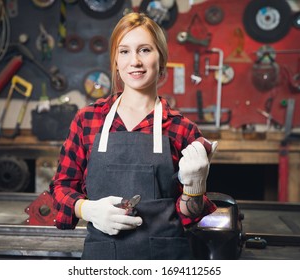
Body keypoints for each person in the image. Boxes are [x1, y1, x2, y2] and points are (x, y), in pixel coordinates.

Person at [49, 12, 218, 260]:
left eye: (145, 50)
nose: (135, 61)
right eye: (124, 51)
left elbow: (190, 215)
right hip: (103, 259)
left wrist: (194, 188)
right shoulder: (88, 120)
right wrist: (88, 209)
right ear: (115, 60)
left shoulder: (182, 129)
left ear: (161, 59)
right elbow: (60, 189)